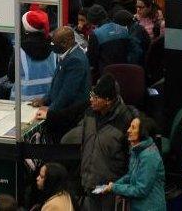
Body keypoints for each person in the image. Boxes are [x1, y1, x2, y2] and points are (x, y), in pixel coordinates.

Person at [69, 73, 135, 211]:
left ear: (108, 101)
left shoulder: (127, 121)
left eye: (96, 97)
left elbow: (132, 159)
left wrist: (121, 187)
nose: (91, 100)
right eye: (91, 95)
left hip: (110, 190)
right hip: (88, 184)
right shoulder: (90, 113)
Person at [103, 116, 165, 210]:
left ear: (142, 132)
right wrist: (112, 186)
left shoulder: (149, 156)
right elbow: (130, 176)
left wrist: (115, 188)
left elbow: (141, 190)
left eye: (133, 127)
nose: (128, 130)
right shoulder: (136, 151)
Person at [33, 26, 90, 118]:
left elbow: (68, 92)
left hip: (70, 115)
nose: (52, 45)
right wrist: (44, 100)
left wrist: (50, 111)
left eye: (54, 43)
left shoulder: (75, 60)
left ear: (65, 43)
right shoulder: (67, 54)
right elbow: (56, 84)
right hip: (61, 110)